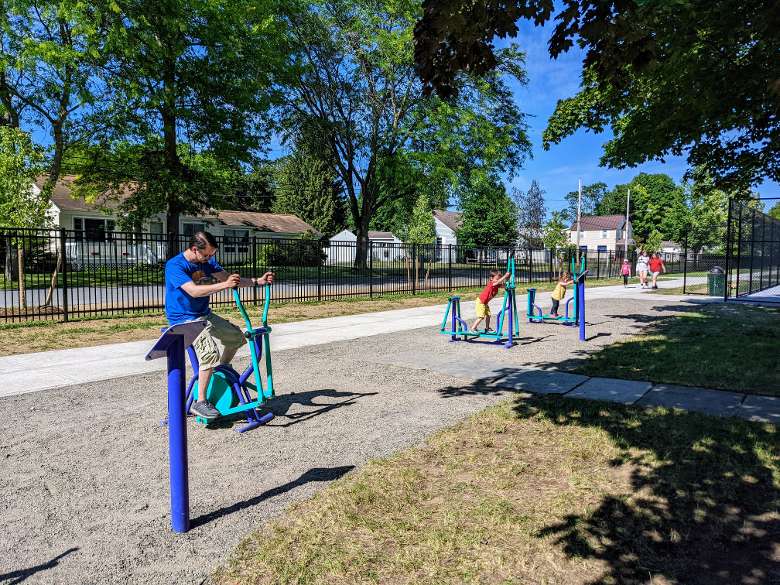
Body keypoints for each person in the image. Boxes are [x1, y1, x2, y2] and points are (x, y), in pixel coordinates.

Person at [164, 230, 274, 420]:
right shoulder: (175, 265)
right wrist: (225, 285)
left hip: (204, 315)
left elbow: (228, 278)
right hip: (184, 320)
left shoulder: (207, 262)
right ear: (193, 249)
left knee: (236, 337)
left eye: (212, 255)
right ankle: (200, 402)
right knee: (209, 354)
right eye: (206, 255)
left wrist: (257, 281)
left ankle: (221, 371)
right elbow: (194, 291)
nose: (209, 258)